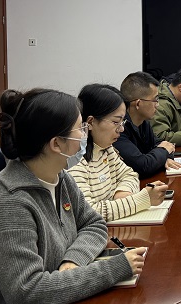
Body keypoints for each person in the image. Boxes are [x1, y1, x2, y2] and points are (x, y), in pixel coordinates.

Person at [0, 88, 146, 304]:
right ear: (56, 144)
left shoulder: (59, 177)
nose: (85, 135)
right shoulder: (12, 205)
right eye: (80, 129)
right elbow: (26, 294)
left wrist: (73, 261)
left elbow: (94, 223)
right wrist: (113, 269)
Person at [68, 84, 169, 221]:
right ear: (90, 122)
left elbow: (130, 174)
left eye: (122, 122)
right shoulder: (75, 160)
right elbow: (88, 212)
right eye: (116, 122)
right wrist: (141, 200)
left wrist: (123, 192)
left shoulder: (106, 149)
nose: (121, 129)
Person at [116, 71, 181, 178]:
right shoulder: (118, 129)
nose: (158, 105)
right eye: (155, 100)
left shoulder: (144, 122)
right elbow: (142, 166)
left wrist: (164, 157)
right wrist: (163, 152)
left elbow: (164, 145)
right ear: (138, 103)